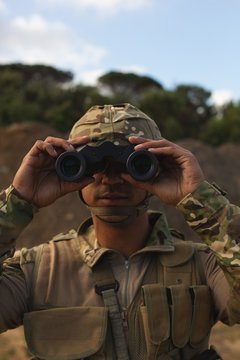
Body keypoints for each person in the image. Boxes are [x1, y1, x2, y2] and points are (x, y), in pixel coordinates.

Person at [0, 103, 240, 360]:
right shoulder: (38, 270)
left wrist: (201, 199)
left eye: (132, 163)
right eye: (93, 164)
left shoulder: (203, 266)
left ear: (158, 165)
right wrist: (19, 201)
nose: (110, 178)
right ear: (68, 165)